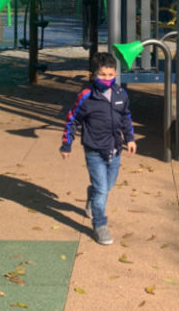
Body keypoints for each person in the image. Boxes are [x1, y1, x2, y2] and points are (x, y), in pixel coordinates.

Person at [60, 52, 136, 245]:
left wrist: (130, 138)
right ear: (93, 75)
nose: (107, 79)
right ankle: (100, 225)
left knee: (107, 186)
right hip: (94, 149)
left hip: (115, 149)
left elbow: (125, 117)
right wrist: (66, 144)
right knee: (102, 189)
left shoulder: (120, 94)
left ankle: (91, 194)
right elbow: (72, 120)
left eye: (111, 75)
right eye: (102, 75)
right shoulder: (86, 96)